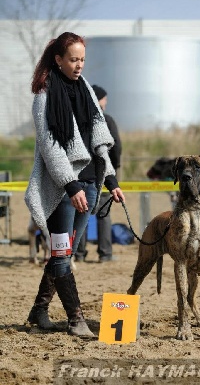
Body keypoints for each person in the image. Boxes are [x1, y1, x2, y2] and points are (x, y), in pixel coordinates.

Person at [24, 32, 125, 338]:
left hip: (91, 183)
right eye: (73, 59)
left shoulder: (85, 89)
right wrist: (71, 186)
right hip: (63, 190)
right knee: (61, 253)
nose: (79, 65)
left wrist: (110, 180)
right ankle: (76, 319)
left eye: (82, 59)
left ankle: (39, 310)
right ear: (58, 59)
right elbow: (51, 147)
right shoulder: (44, 95)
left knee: (62, 254)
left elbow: (99, 139)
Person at [75, 85, 122, 263]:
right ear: (99, 99)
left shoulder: (79, 118)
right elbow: (116, 145)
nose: (106, 102)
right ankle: (105, 253)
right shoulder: (106, 120)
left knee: (82, 212)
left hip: (83, 173)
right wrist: (114, 169)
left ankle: (79, 254)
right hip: (102, 173)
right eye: (105, 99)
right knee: (103, 214)